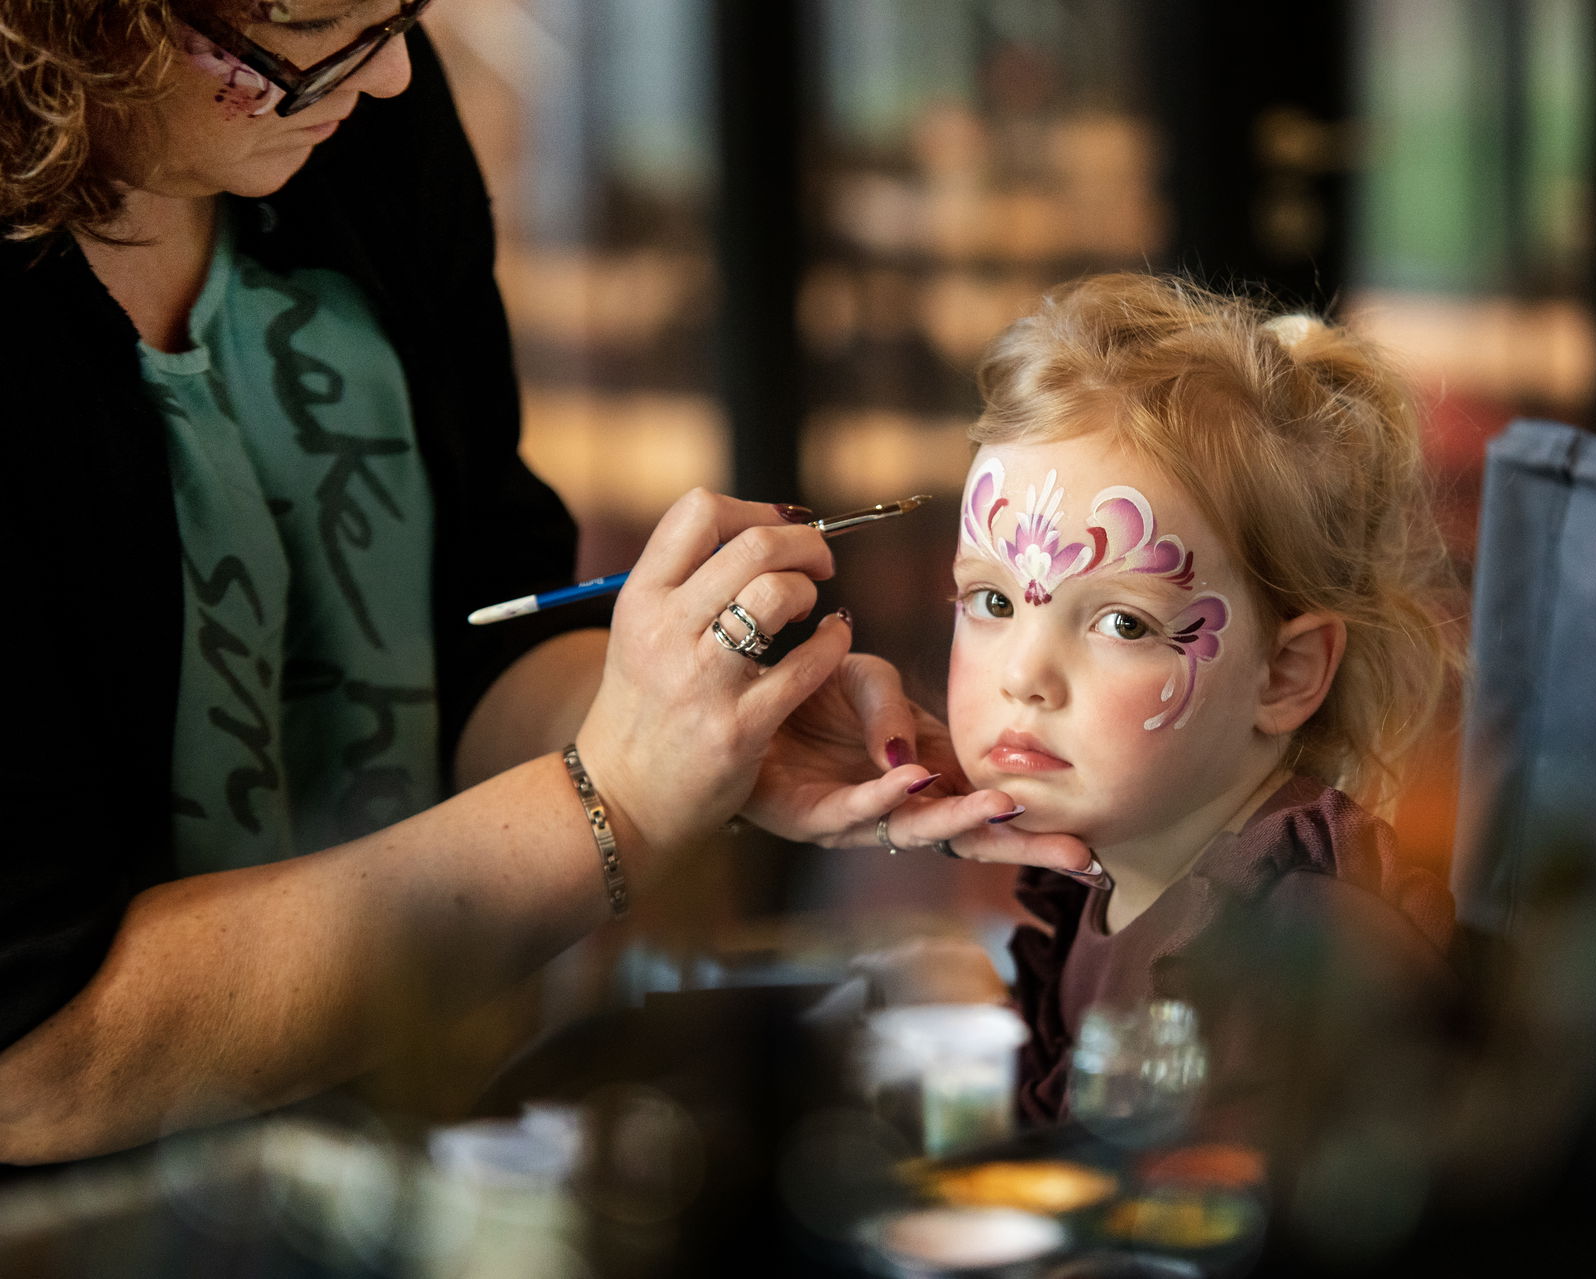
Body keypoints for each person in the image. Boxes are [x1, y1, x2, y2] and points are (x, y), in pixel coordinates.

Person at [0, 1, 1083, 1166]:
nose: (394, 77)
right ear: (81, 27)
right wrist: (611, 797)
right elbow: (39, 1061)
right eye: (320, 37)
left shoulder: (357, 132)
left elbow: (471, 639)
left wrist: (694, 715)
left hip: (409, 1135)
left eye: (403, 14)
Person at [875, 273, 1462, 1133]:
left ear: (1285, 675)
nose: (1025, 674)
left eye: (1120, 620)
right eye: (994, 601)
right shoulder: (1111, 876)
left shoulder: (1293, 954)